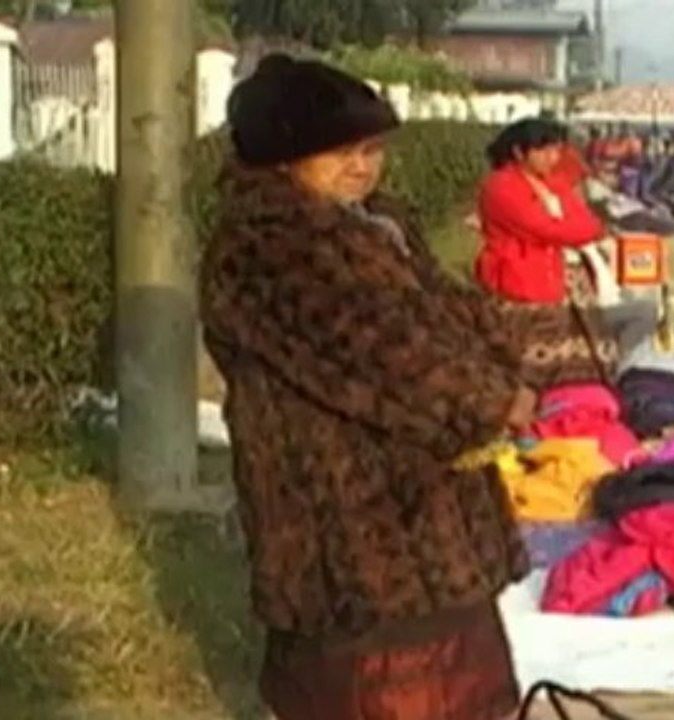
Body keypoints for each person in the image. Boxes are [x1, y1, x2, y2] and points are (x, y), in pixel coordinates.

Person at [199, 54, 531, 720]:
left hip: (420, 514)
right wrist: (492, 400)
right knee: (374, 691)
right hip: (345, 524)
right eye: (339, 152)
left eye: (372, 149)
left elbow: (458, 314)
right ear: (281, 159)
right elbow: (390, 356)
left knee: (459, 688)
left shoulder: (377, 225)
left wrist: (496, 368)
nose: (361, 166)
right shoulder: (271, 249)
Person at [475, 118, 618, 386]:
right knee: (527, 367)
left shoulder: (552, 183)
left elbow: (586, 221)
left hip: (558, 282)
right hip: (519, 287)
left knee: (575, 361)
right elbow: (547, 229)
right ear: (520, 152)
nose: (552, 158)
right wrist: (575, 228)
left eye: (555, 150)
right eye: (544, 151)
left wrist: (578, 228)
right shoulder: (500, 187)